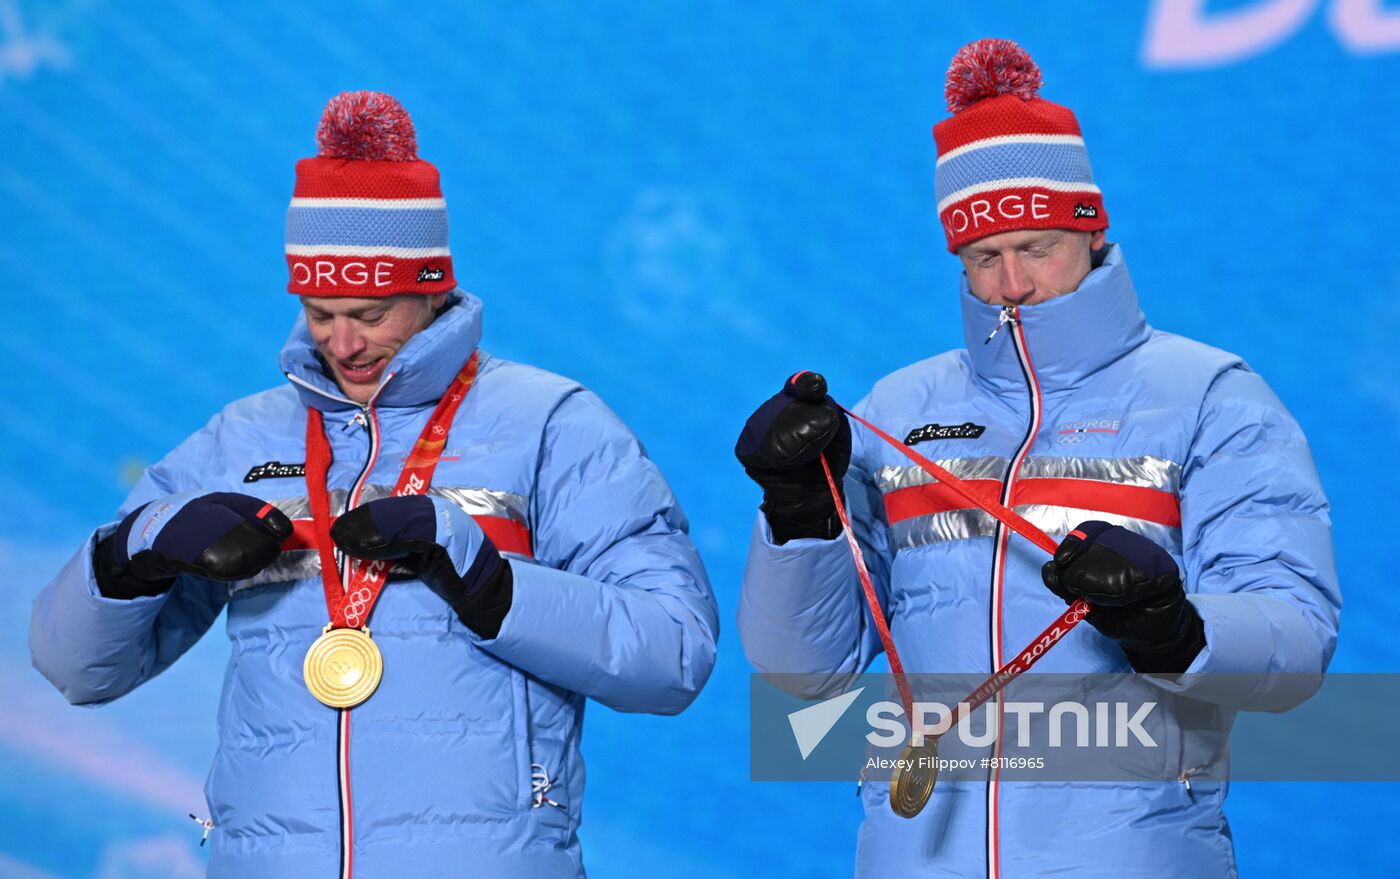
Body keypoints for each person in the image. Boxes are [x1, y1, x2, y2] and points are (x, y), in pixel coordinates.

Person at [30, 91, 719, 879]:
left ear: (431, 288)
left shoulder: (553, 424)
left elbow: (674, 651)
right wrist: (132, 555)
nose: (344, 343)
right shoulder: (244, 435)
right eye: (320, 314)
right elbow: (75, 667)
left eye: (370, 311)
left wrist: (492, 585)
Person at [735, 39, 1340, 876]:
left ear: (1092, 234)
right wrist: (796, 513)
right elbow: (803, 672)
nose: (1013, 282)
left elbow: (1298, 641)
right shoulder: (897, 411)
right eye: (985, 257)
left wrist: (1175, 626)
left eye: (1039, 246)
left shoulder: (1211, 397)